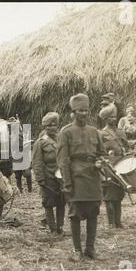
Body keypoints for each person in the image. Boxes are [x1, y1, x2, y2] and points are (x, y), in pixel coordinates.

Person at [57, 93, 105, 261]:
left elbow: (102, 154)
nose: (84, 113)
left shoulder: (95, 132)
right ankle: (77, 250)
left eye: (86, 110)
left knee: (93, 213)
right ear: (74, 112)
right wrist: (67, 183)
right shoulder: (67, 132)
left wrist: (100, 162)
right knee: (75, 215)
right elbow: (63, 160)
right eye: (80, 110)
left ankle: (90, 249)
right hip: (76, 178)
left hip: (93, 178)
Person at [32, 112, 65, 235]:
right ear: (45, 127)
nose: (52, 128)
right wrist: (40, 179)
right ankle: (52, 228)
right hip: (48, 178)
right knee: (49, 203)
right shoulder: (40, 143)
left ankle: (60, 227)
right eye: (49, 126)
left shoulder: (61, 140)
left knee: (61, 202)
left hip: (60, 177)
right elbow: (37, 163)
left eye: (54, 125)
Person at [99, 104, 129, 228]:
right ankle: (111, 223)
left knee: (119, 195)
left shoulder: (121, 132)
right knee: (109, 196)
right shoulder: (101, 133)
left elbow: (126, 148)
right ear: (105, 118)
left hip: (121, 165)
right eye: (111, 117)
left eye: (115, 117)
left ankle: (118, 221)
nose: (114, 119)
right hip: (109, 168)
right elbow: (99, 151)